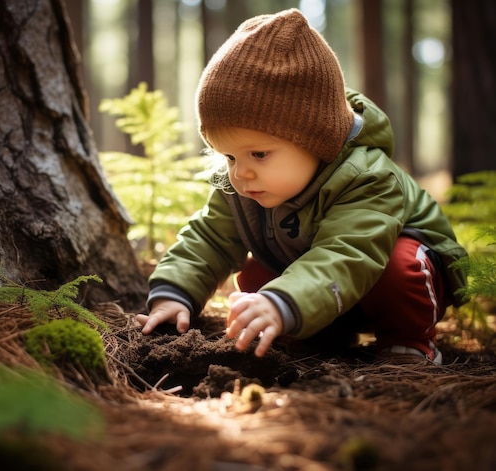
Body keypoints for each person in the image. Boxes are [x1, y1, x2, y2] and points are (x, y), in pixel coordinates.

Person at [136, 9, 467, 364]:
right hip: (325, 292)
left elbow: (347, 255)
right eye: (229, 157)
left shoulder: (368, 177)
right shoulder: (245, 185)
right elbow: (208, 239)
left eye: (259, 154)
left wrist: (284, 302)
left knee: (400, 266)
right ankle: (323, 334)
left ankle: (409, 342)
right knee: (256, 275)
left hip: (390, 281)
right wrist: (173, 293)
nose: (241, 172)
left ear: (315, 140)